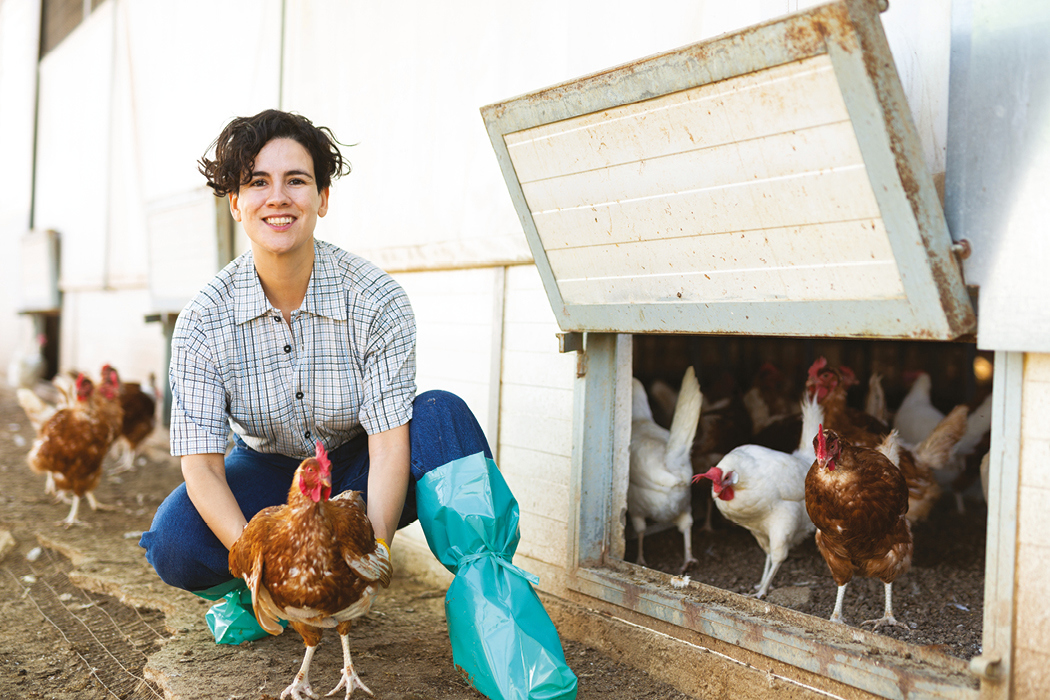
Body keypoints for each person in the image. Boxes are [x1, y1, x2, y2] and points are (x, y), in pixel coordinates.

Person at [139, 109, 492, 601]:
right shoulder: (203, 320)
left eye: (297, 180)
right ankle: (262, 599)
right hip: (269, 475)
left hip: (361, 462)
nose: (278, 197)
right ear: (236, 203)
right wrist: (261, 565)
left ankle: (492, 601)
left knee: (441, 416)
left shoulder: (375, 299)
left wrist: (372, 555)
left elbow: (390, 445)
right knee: (174, 539)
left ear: (322, 198)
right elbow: (201, 465)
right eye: (258, 182)